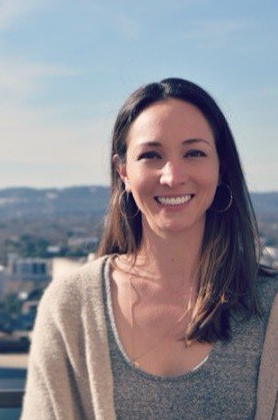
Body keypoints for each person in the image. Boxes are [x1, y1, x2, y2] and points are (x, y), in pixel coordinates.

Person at [21, 78, 278, 419]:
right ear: (123, 171)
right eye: (151, 155)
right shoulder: (72, 305)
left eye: (194, 153)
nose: (172, 176)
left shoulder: (270, 307)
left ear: (221, 168)